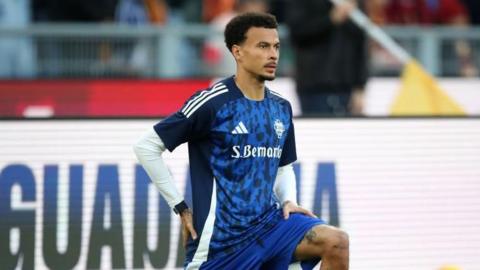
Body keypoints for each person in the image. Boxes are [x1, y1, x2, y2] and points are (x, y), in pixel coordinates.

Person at [134, 12, 349, 269]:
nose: (273, 55)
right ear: (237, 52)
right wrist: (180, 207)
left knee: (336, 241)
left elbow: (283, 167)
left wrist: (289, 200)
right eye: (263, 46)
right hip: (221, 244)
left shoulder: (281, 107)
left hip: (271, 228)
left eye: (276, 47)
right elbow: (146, 147)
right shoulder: (213, 103)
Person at [285, 0, 368, 116]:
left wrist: (360, 87)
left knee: (346, 133)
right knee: (318, 132)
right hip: (314, 87)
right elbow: (297, 33)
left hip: (346, 88)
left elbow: (360, 45)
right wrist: (331, 19)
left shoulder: (353, 2)